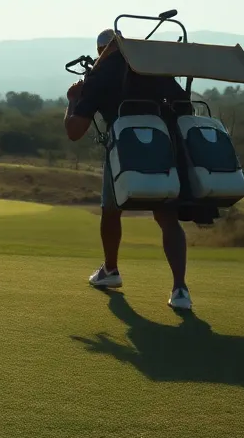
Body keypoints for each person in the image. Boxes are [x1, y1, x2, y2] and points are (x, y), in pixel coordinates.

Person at [64, 28, 194, 310]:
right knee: (167, 217)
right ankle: (180, 289)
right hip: (161, 148)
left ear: (101, 52)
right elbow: (186, 108)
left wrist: (73, 98)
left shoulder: (98, 76)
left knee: (111, 211)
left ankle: (110, 270)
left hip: (123, 151)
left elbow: (74, 130)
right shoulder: (153, 69)